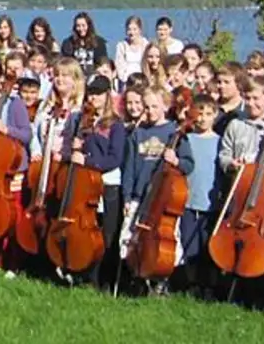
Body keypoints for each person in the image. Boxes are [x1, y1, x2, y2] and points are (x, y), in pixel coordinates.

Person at [121, 88, 193, 293]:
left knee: (165, 243)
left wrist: (176, 161)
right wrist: (127, 196)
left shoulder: (174, 132)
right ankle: (136, 278)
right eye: (147, 107)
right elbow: (130, 168)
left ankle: (160, 281)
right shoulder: (139, 132)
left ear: (165, 106)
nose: (150, 111)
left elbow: (189, 165)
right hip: (139, 196)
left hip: (162, 200)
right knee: (130, 240)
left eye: (154, 106)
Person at [63, 77, 128, 287]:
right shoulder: (84, 121)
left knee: (107, 234)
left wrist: (87, 160)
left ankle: (104, 280)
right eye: (91, 93)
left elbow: (114, 158)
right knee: (87, 231)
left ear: (107, 95)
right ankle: (84, 273)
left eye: (98, 93)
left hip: (108, 184)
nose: (93, 97)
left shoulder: (115, 125)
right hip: (86, 185)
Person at [179, 94, 222, 292]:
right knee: (189, 244)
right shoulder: (186, 139)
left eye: (208, 114)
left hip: (210, 202)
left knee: (208, 247)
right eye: (200, 113)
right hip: (188, 200)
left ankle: (210, 285)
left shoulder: (220, 142)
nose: (203, 118)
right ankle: (191, 283)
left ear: (215, 115)